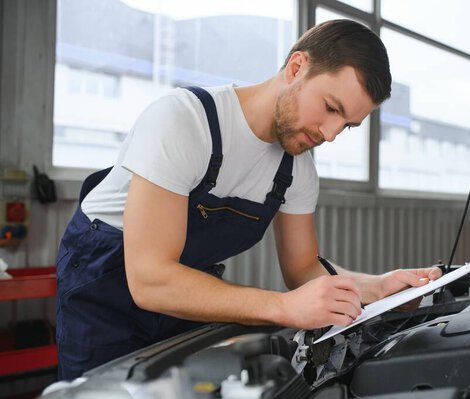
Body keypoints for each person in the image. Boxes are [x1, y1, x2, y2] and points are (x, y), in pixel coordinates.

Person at [55, 19, 442, 380]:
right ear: (296, 68)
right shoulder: (184, 122)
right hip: (103, 281)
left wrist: (375, 287)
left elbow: (303, 268)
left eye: (348, 125)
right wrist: (282, 306)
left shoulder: (296, 170)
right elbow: (150, 280)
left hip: (187, 289)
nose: (330, 134)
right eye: (330, 108)